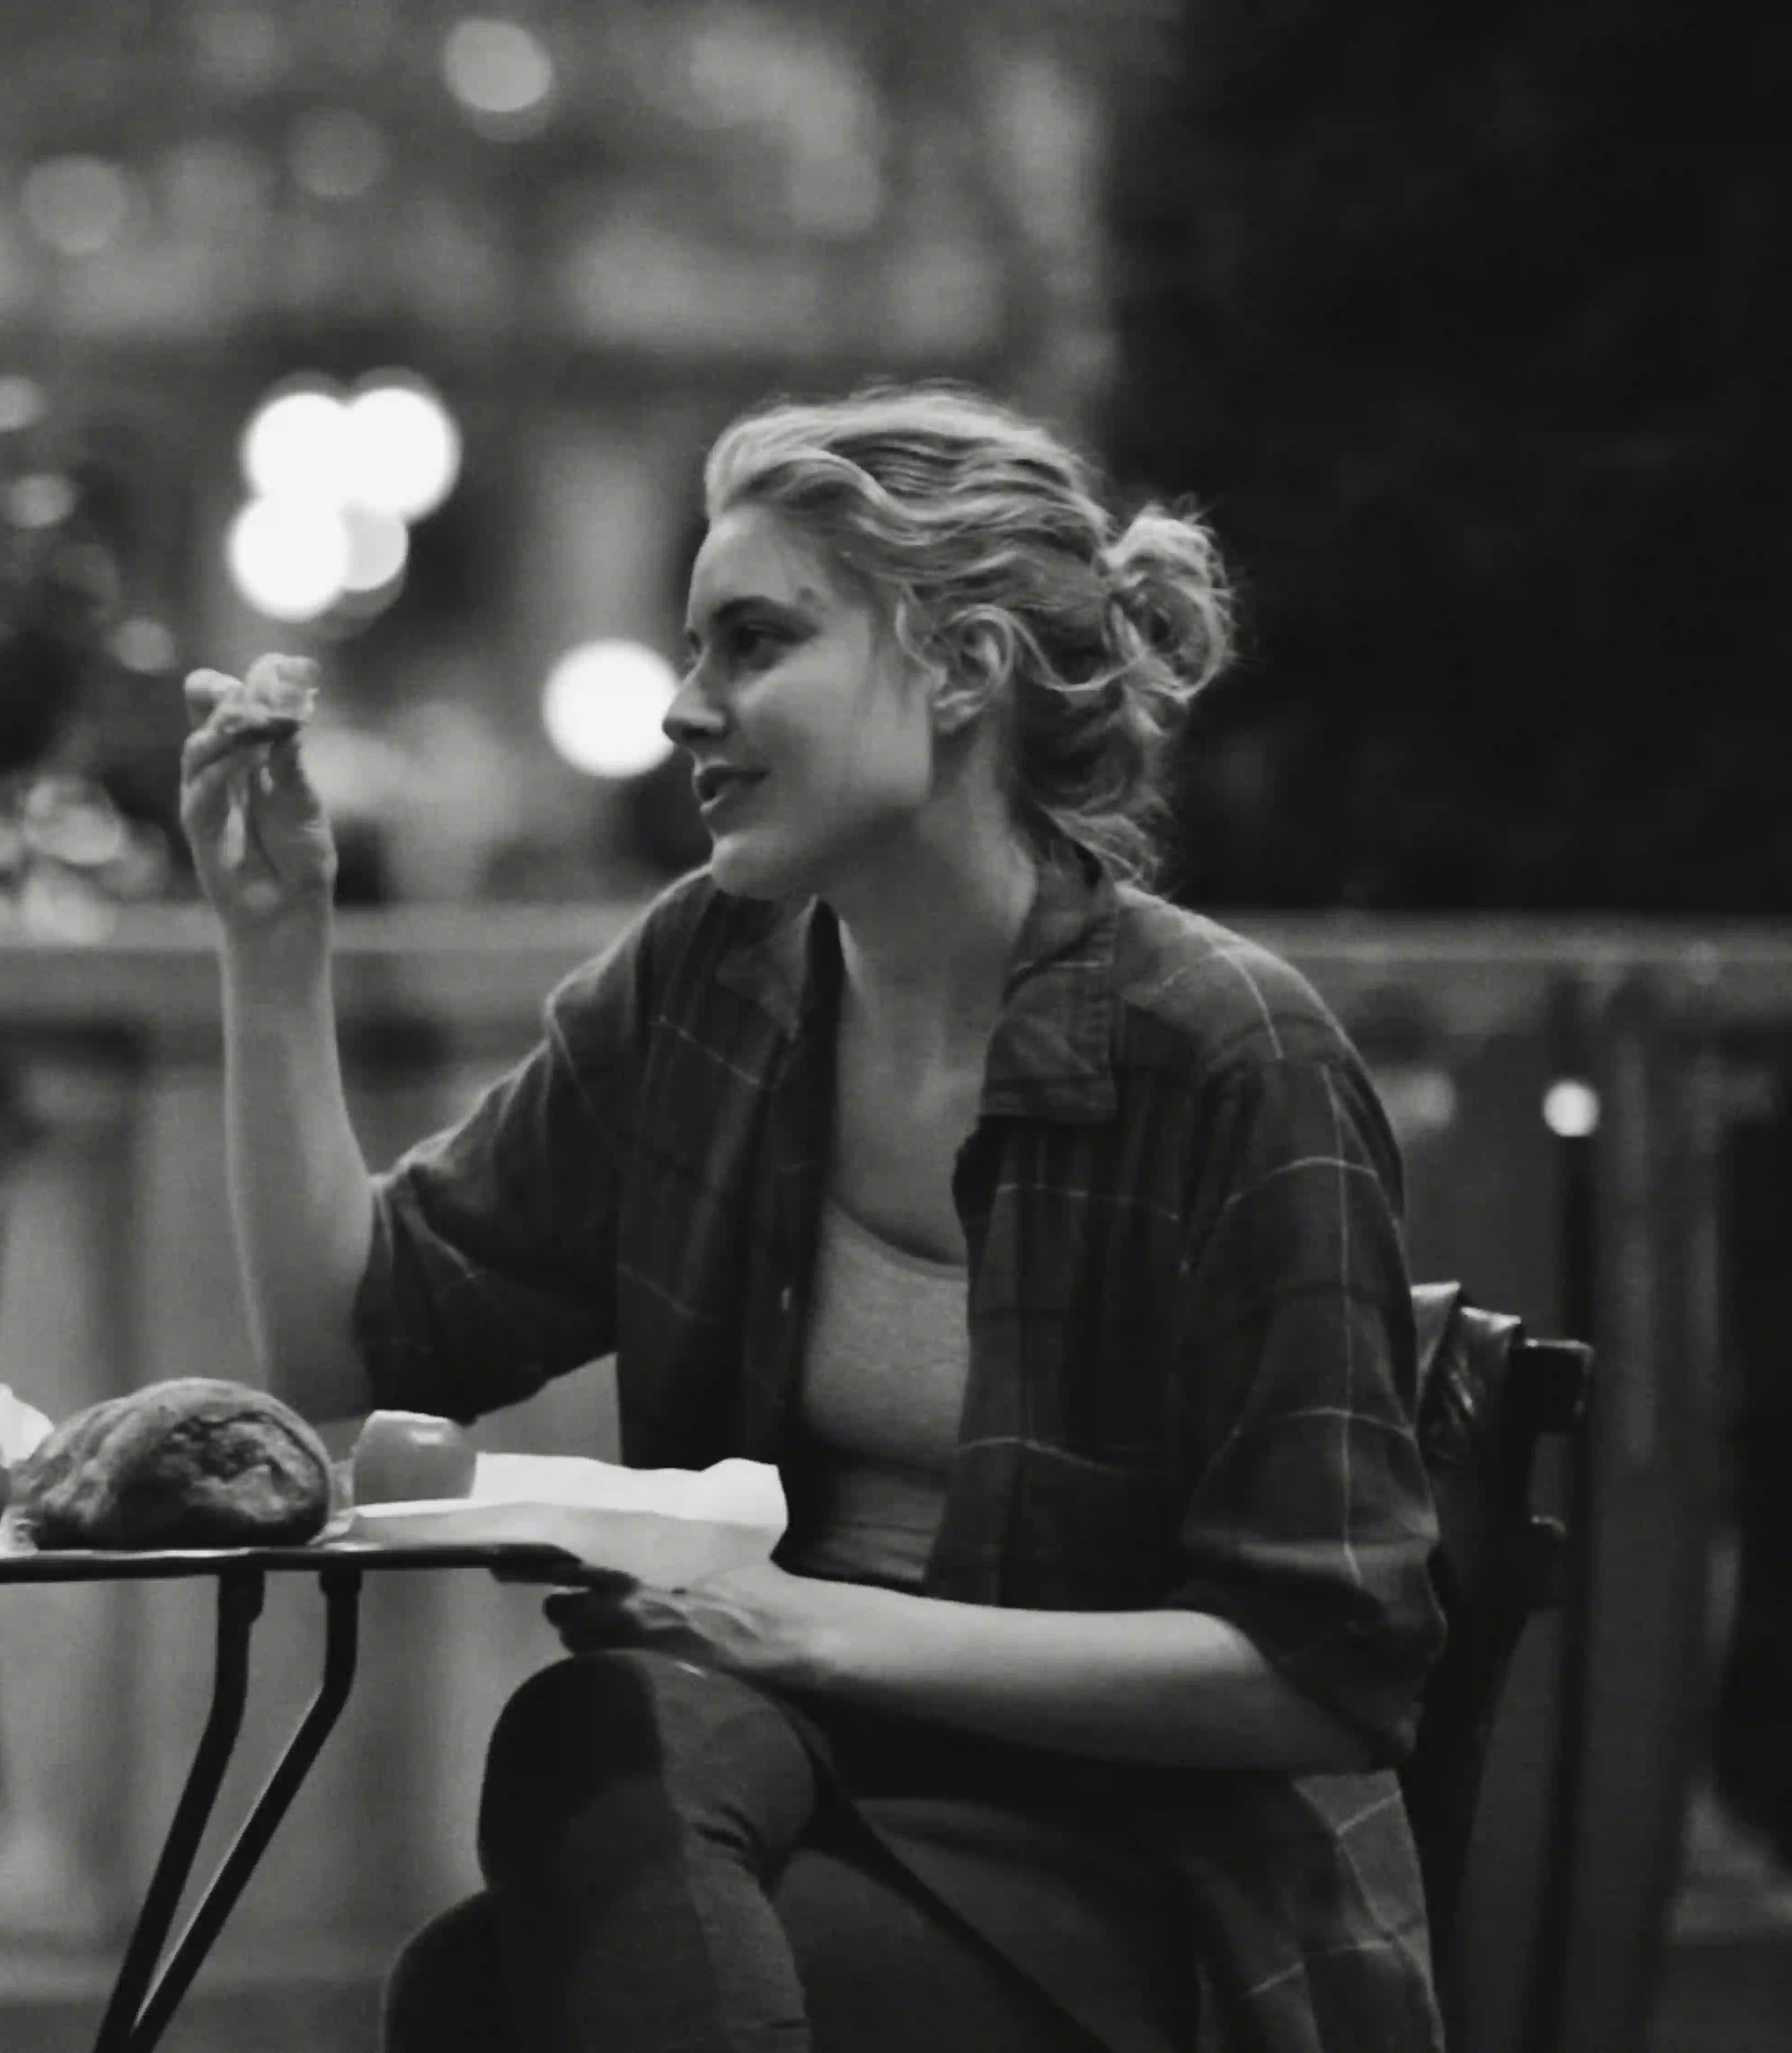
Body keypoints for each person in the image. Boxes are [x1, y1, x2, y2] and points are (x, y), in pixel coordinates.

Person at [178, 385, 1441, 2053]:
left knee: (480, 1994)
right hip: (775, 1781)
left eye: (755, 644)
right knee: (592, 1746)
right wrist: (276, 946)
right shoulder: (714, 976)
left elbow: (1325, 1667)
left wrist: (805, 1629)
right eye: (694, 651)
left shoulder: (1227, 1054)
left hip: (1143, 1864)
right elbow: (354, 1336)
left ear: (964, 666)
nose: (685, 712)